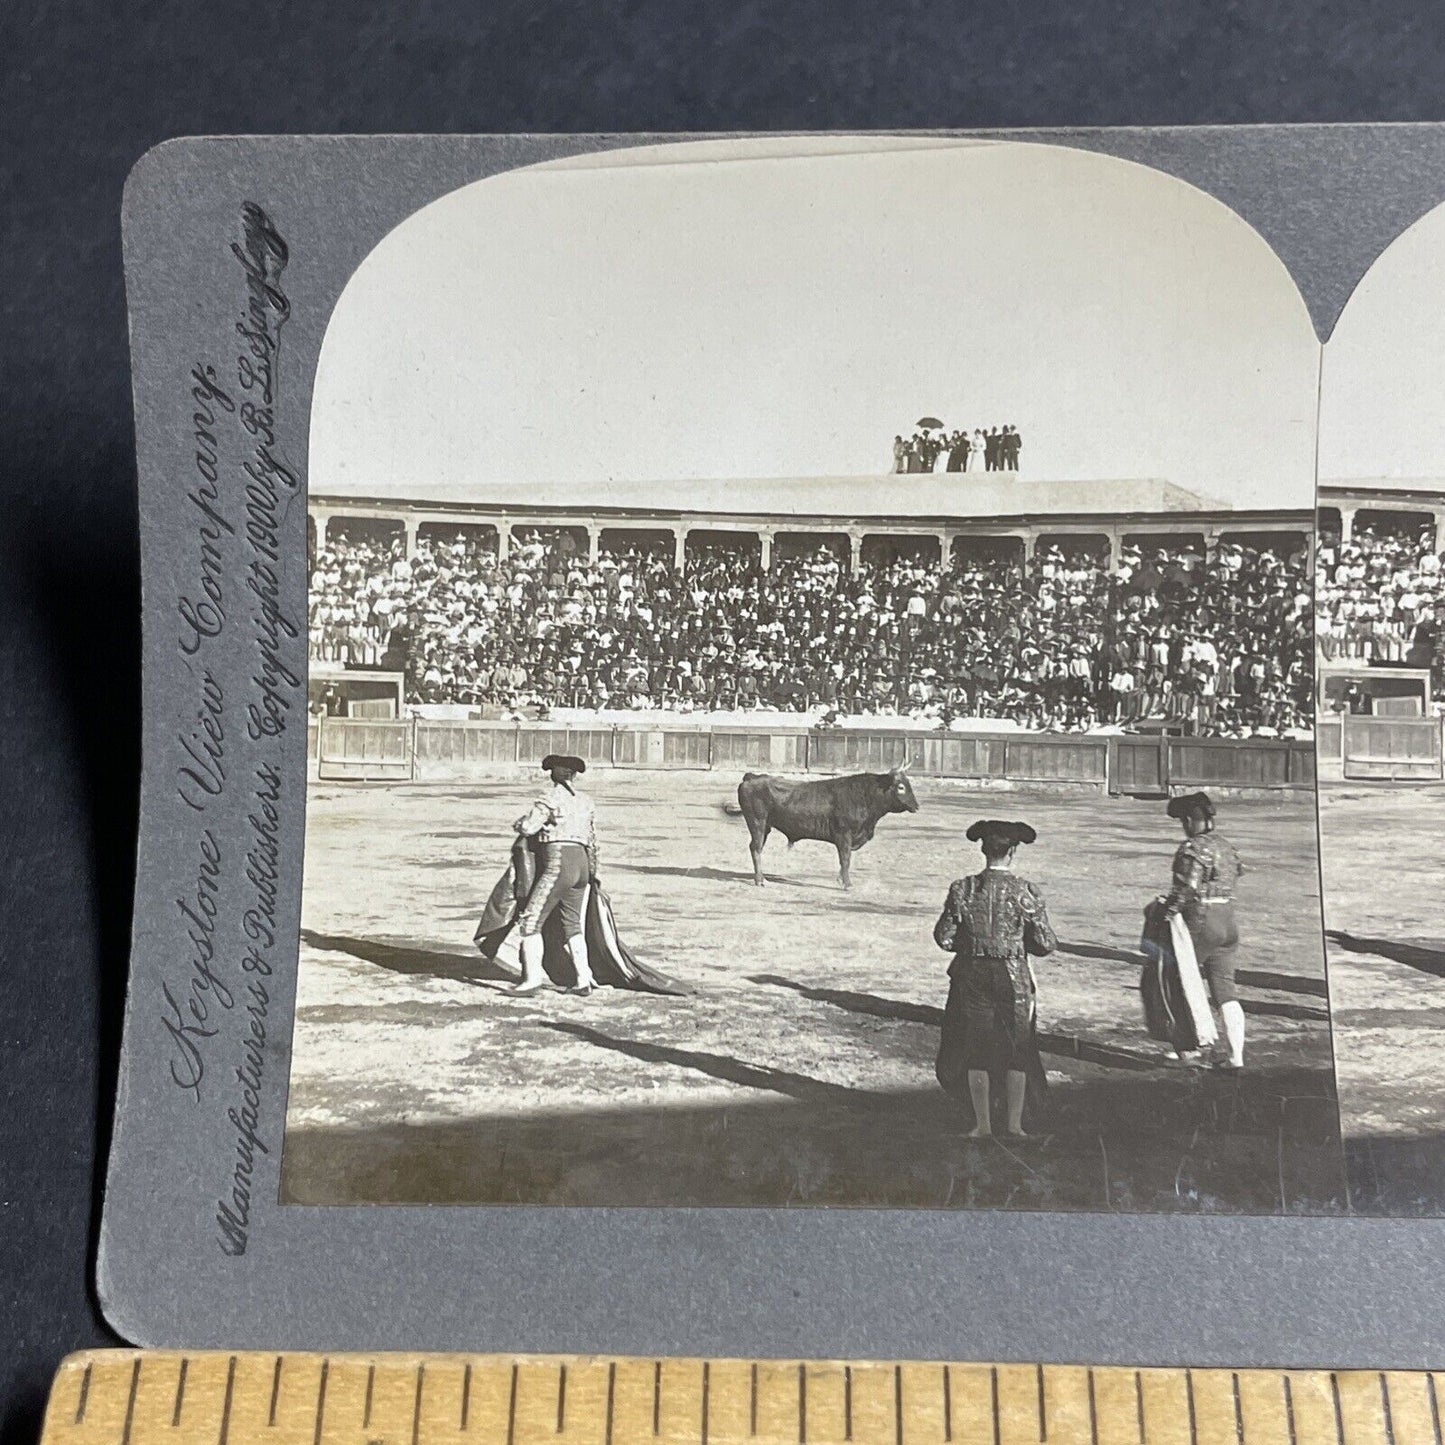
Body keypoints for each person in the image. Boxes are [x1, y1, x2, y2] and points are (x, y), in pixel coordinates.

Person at [933, 819, 1057, 1138]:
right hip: (1012, 974)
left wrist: (973, 943)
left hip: (972, 973)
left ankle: (982, 1125)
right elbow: (1046, 943)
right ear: (1013, 851)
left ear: (983, 850)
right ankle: (1015, 1125)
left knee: (977, 1047)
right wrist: (1017, 942)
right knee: (1016, 1047)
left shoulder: (963, 888)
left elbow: (944, 938)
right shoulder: (1025, 891)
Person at [1162, 791, 1247, 1070]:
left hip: (1202, 919)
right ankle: (1236, 1056)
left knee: (1180, 978)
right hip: (1228, 920)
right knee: (1225, 987)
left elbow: (1187, 887)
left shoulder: (1193, 848)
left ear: (1188, 820)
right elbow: (1237, 874)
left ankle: (1189, 1048)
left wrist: (1168, 912)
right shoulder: (1227, 847)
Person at [506, 754, 600, 997]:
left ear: (553, 775)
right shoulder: (586, 801)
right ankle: (583, 980)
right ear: (574, 775)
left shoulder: (549, 798)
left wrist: (519, 824)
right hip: (582, 864)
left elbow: (529, 827)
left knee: (530, 921)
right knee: (572, 924)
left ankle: (532, 980)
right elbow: (592, 839)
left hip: (559, 862)